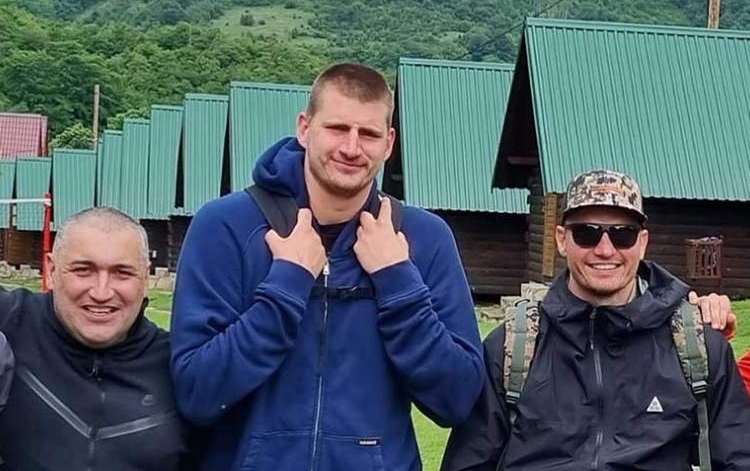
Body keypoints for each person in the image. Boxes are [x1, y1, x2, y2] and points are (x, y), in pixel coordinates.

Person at [170, 63, 484, 470]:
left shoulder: (424, 239)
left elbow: (456, 399)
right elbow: (197, 392)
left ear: (389, 143)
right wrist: (286, 285)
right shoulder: (226, 226)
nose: (352, 148)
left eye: (368, 134)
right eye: (337, 128)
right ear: (305, 128)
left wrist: (398, 282)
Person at [441, 170, 750, 470]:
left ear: (642, 242)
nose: (605, 250)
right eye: (586, 233)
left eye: (623, 235)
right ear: (562, 239)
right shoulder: (513, 348)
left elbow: (739, 458)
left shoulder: (696, 348)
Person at [0, 207, 195, 470]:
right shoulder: (10, 322)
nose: (102, 293)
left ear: (145, 278)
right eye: (83, 270)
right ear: (50, 270)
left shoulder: (179, 367)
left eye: (122, 273)